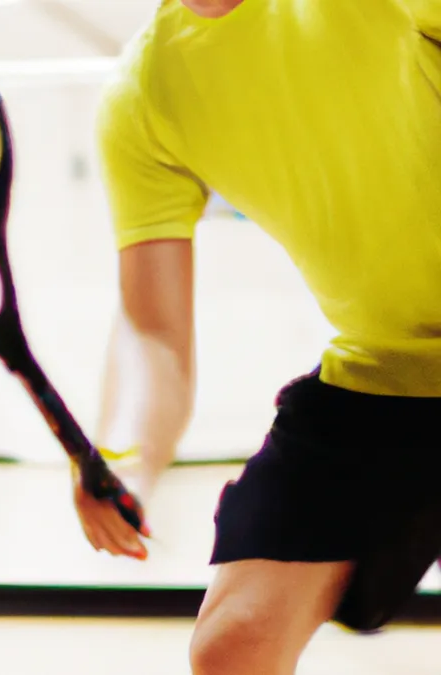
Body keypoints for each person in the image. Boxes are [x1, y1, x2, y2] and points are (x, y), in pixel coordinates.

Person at [84, 0, 441, 672]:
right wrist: (126, 459)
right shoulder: (143, 96)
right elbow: (152, 329)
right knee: (235, 644)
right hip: (380, 374)